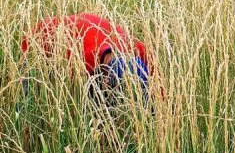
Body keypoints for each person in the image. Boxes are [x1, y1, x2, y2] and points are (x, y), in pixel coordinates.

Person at [21, 12, 150, 103]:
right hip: (37, 41)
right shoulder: (79, 62)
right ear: (105, 80)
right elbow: (70, 101)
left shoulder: (138, 49)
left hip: (86, 28)